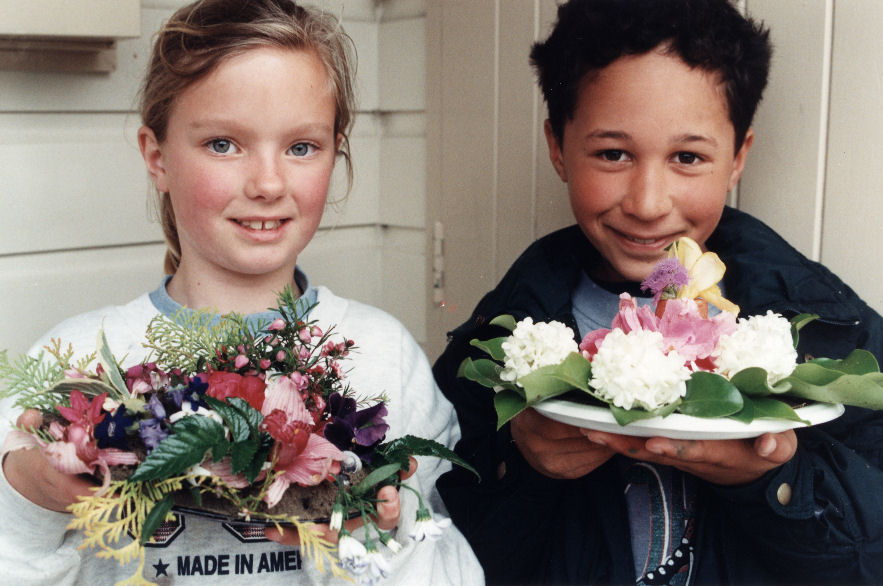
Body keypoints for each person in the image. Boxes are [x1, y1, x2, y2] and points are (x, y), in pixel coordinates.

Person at [0, 1, 482, 583]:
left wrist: (375, 538)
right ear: (157, 156)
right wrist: (27, 497)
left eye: (301, 147)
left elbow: (438, 565)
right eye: (224, 144)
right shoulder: (76, 358)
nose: (269, 184)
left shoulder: (382, 353)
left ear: (336, 151)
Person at [433, 0, 883, 584]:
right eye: (613, 154)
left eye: (688, 157)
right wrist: (522, 467)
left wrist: (773, 480)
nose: (648, 203)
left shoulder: (826, 326)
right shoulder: (501, 339)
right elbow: (441, 548)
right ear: (557, 147)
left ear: (739, 157)